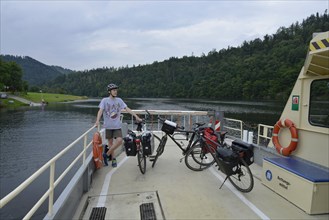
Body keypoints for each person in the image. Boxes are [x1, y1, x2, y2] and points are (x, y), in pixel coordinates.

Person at [95, 83, 142, 167]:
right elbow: (100, 111)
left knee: (120, 141)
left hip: (117, 126)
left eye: (116, 90)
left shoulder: (119, 100)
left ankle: (106, 155)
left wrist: (136, 116)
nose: (115, 92)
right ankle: (113, 159)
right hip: (108, 126)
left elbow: (127, 109)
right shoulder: (104, 100)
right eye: (114, 90)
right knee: (110, 143)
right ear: (109, 91)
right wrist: (97, 121)